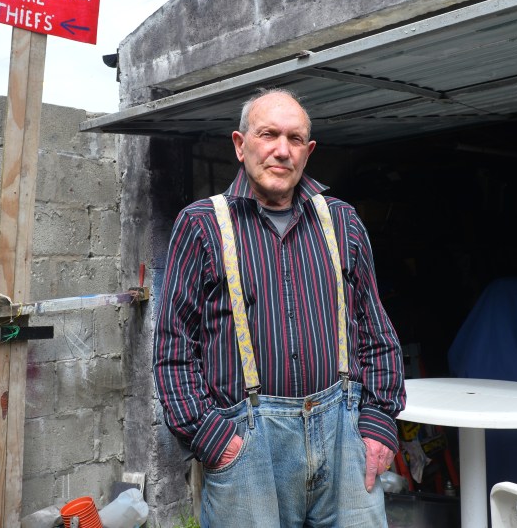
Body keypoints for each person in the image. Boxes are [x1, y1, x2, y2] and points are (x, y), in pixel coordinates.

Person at [153, 88, 405, 527]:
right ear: (240, 144)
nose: (281, 150)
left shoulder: (341, 220)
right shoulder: (201, 224)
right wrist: (211, 437)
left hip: (344, 436)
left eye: (294, 139)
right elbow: (174, 347)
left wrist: (380, 421)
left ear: (308, 152)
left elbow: (375, 329)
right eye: (268, 135)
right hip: (246, 444)